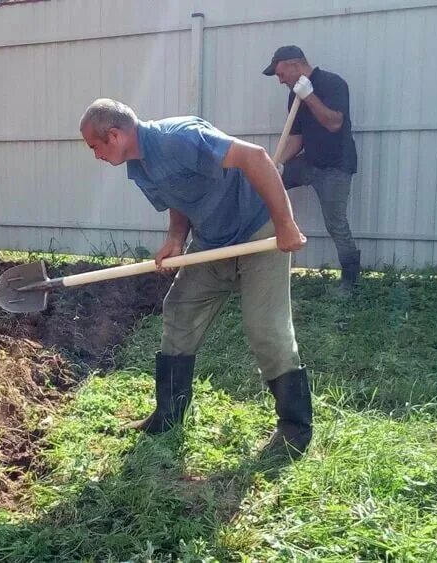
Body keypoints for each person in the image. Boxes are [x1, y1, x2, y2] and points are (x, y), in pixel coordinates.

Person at [78, 98, 312, 458]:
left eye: (94, 147)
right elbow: (179, 196)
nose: (93, 155)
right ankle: (168, 414)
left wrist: (284, 225)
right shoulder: (139, 166)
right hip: (213, 241)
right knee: (181, 309)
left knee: (265, 326)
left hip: (257, 232)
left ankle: (295, 428)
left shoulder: (179, 138)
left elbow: (256, 158)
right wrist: (175, 238)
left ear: (114, 134)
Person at [264, 45, 361, 294]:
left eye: (280, 73)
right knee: (264, 184)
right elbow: (296, 140)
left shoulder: (333, 84)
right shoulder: (293, 95)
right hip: (309, 163)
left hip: (336, 167)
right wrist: (275, 164)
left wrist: (309, 96)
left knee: (335, 222)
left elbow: (334, 123)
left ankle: (351, 281)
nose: (279, 79)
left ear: (295, 64)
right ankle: (255, 259)